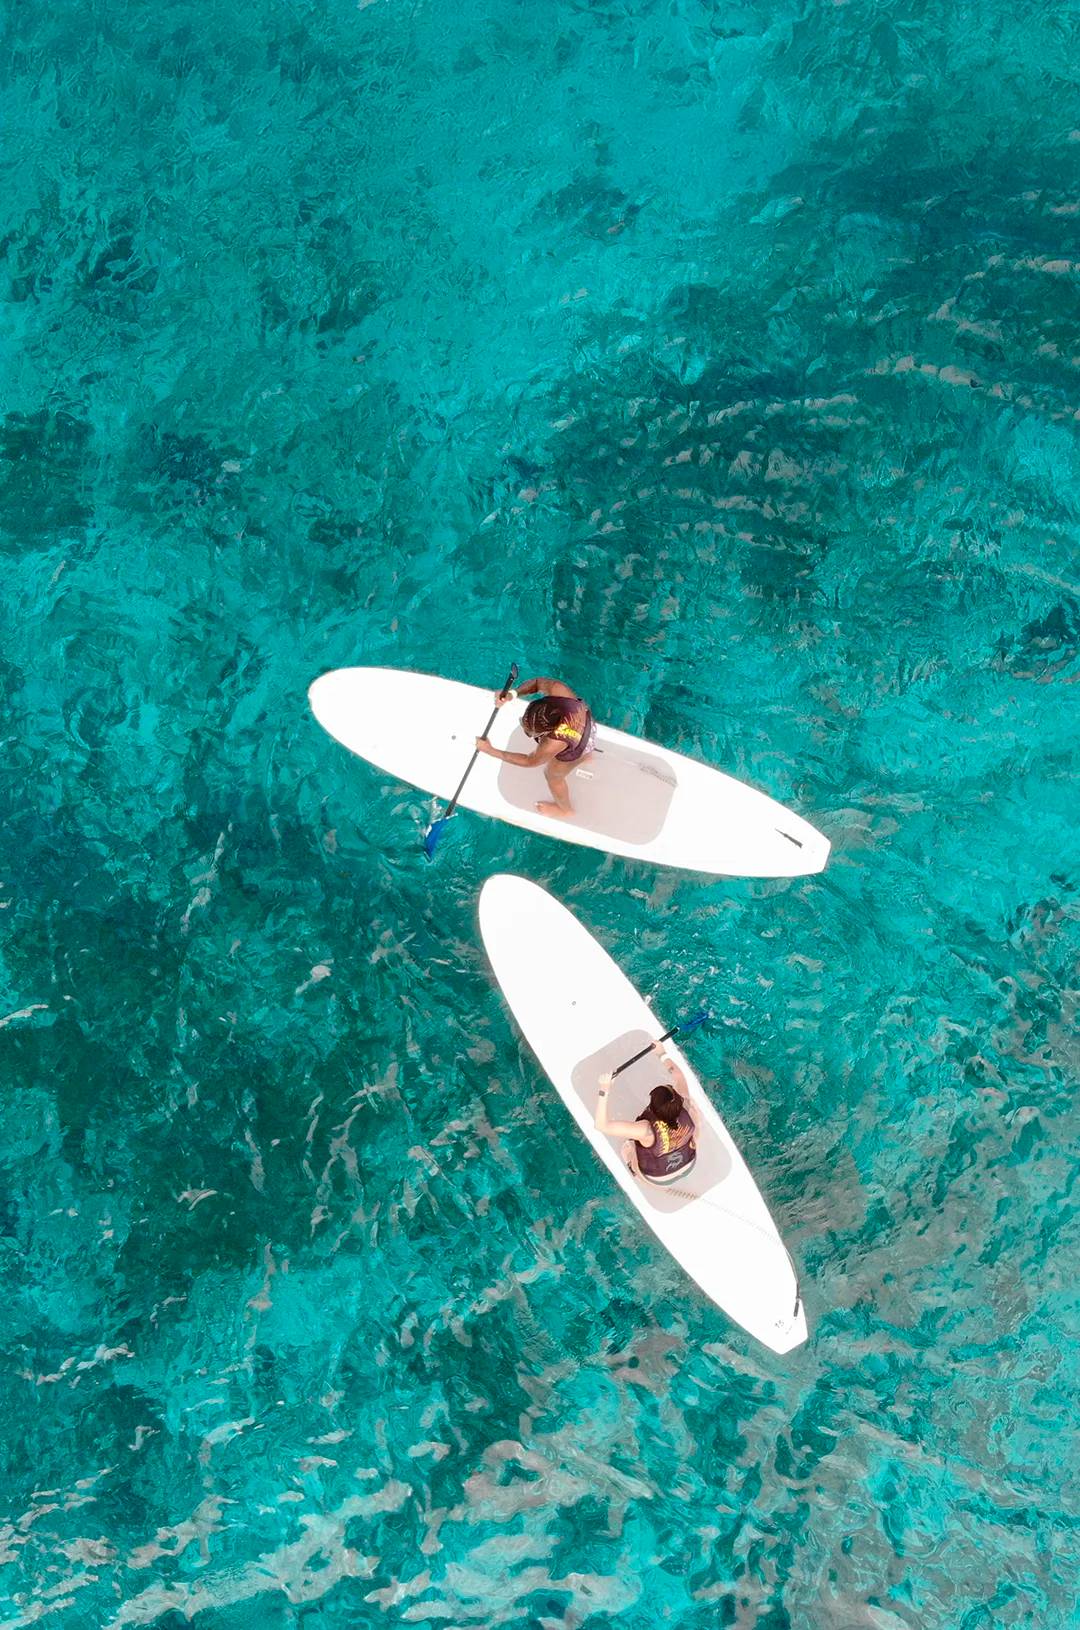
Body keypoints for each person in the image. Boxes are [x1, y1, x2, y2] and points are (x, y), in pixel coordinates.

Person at [473, 674, 596, 819]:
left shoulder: (553, 743)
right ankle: (588, 757)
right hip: (588, 726)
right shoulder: (559, 690)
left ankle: (566, 810)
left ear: (547, 734)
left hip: (577, 748)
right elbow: (538, 682)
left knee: (552, 776)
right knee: (584, 747)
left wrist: (490, 750)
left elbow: (529, 761)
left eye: (529, 733)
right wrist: (513, 694)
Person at [594, 1042, 700, 1185]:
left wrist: (604, 1090)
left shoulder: (646, 1130)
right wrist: (662, 1054)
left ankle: (633, 1167)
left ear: (653, 1107)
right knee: (695, 1111)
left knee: (628, 1147)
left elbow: (602, 1125)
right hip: (689, 1162)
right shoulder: (686, 1104)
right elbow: (678, 1075)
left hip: (659, 1177)